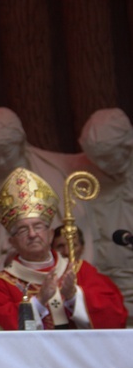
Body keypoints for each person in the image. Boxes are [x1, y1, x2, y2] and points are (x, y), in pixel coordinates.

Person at [0, 167, 127, 330]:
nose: (32, 234)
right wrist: (39, 300)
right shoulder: (0, 283)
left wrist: (75, 295)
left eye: (38, 226)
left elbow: (115, 315)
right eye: (23, 230)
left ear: (51, 234)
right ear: (12, 242)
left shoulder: (79, 270)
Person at [0, 107, 94, 276]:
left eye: (6, 153)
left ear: (20, 142)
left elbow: (72, 231)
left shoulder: (49, 173)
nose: (0, 161)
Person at [78, 108, 133, 327]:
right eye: (95, 160)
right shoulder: (84, 177)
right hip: (106, 288)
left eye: (107, 158)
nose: (101, 165)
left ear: (127, 146)